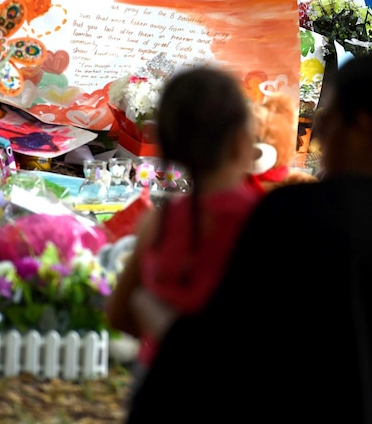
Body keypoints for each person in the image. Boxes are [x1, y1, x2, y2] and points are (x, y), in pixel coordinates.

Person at [127, 49, 372, 423]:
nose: (320, 127)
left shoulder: (291, 213)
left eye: (329, 111)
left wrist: (146, 305)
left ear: (360, 126)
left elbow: (225, 352)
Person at [106, 67, 264, 392]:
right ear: (241, 141)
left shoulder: (158, 223)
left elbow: (118, 314)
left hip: (159, 385)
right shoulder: (264, 220)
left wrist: (150, 313)